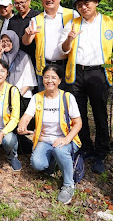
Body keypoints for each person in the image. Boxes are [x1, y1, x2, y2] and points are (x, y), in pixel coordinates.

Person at [59, 0, 113, 174]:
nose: (84, 6)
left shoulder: (109, 22)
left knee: (100, 113)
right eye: (80, 4)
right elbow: (63, 50)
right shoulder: (72, 24)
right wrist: (69, 40)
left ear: (96, 2)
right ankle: (85, 146)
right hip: (76, 73)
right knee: (78, 113)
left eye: (87, 2)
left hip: (99, 73)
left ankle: (101, 152)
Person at [17, 64, 82, 205]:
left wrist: (66, 139)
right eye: (46, 77)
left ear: (59, 80)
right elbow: (27, 116)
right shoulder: (37, 98)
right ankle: (55, 162)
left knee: (59, 149)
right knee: (37, 164)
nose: (49, 80)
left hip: (66, 140)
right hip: (45, 140)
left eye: (54, 77)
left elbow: (78, 123)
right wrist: (22, 125)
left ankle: (68, 185)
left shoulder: (67, 97)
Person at [22, 0, 78, 89]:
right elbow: (26, 42)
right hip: (44, 66)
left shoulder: (72, 15)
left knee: (65, 100)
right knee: (45, 100)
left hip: (67, 65)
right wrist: (27, 34)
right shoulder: (36, 19)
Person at [0, 30, 37, 154]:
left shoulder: (24, 57)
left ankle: (19, 145)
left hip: (22, 96)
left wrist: (15, 96)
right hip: (1, 96)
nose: (5, 43)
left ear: (15, 42)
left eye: (9, 41)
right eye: (3, 41)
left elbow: (28, 82)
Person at [6, 0, 40, 69]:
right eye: (16, 3)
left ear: (29, 1)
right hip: (18, 60)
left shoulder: (38, 17)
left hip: (35, 59)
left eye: (22, 2)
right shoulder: (12, 20)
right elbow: (9, 39)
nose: (19, 5)